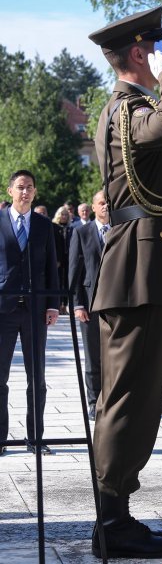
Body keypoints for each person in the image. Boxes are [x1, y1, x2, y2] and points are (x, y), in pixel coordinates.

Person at [87, 5, 162, 558]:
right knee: (128, 399)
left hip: (138, 268)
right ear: (139, 52)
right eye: (157, 48)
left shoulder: (126, 110)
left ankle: (117, 514)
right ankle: (112, 523)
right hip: (137, 271)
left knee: (131, 397)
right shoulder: (130, 109)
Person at [0, 170, 59, 456]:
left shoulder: (44, 226)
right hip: (4, 310)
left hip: (35, 311)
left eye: (30, 188)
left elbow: (51, 267)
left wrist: (52, 304)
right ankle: (1, 438)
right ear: (10, 190)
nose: (26, 192)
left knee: (37, 379)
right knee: (0, 378)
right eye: (21, 187)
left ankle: (35, 439)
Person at [68, 191, 109, 421]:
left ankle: (111, 399)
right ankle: (93, 402)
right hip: (90, 306)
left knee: (115, 357)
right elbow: (74, 272)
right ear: (93, 207)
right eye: (101, 203)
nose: (106, 207)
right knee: (94, 357)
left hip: (116, 307)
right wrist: (77, 304)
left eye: (108, 203)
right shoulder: (81, 233)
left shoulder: (120, 232)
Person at [51, 206, 73, 314]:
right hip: (58, 259)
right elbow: (53, 245)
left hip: (68, 259)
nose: (64, 216)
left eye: (66, 214)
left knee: (67, 282)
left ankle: (65, 304)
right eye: (62, 214)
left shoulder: (70, 228)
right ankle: (58, 305)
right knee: (58, 281)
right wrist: (56, 259)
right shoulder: (53, 227)